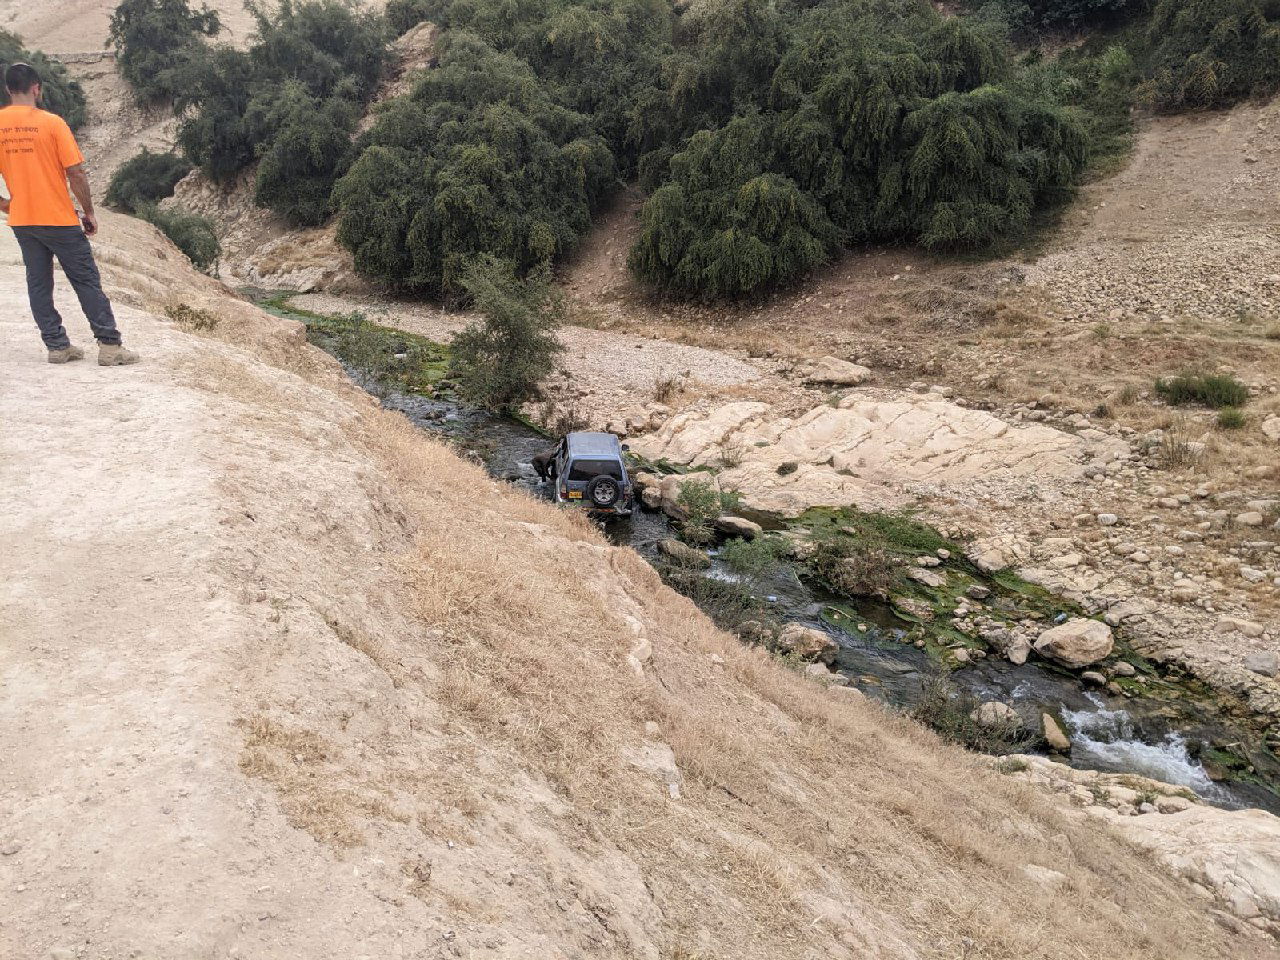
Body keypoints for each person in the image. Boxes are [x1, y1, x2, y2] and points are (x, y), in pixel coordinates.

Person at [0, 62, 138, 365]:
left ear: (8, 89)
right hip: (58, 218)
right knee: (86, 280)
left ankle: (57, 346)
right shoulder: (52, 123)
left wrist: (7, 204)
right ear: (37, 88)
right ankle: (110, 346)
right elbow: (75, 172)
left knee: (38, 283)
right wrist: (88, 211)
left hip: (23, 220)